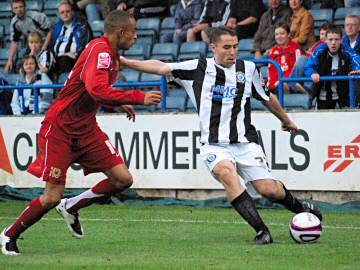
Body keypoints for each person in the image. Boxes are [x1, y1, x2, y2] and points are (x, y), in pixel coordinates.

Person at [120, 26, 323, 245]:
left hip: (245, 142)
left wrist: (285, 119)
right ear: (213, 47)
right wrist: (127, 62)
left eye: (235, 46)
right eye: (227, 47)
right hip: (213, 145)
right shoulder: (197, 68)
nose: (232, 52)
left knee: (269, 190)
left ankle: (301, 209)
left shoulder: (248, 69)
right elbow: (161, 67)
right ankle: (262, 231)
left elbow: (266, 96)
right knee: (227, 173)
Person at [0, 10, 162, 256]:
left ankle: (72, 205)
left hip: (86, 129)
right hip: (61, 129)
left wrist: (117, 103)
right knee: (51, 197)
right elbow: (97, 89)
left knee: (123, 179)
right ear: (120, 32)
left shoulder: (108, 54)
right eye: (133, 32)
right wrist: (137, 96)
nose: (136, 36)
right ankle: (9, 234)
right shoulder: (101, 52)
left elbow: (92, 88)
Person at [304, 25, 360, 109]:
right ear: (325, 40)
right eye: (330, 40)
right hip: (323, 96)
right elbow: (308, 66)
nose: (333, 43)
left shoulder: (346, 49)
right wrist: (312, 73)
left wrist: (357, 69)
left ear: (341, 40)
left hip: (343, 96)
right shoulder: (320, 50)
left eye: (336, 39)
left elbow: (356, 58)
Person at [5, 0, 53, 73]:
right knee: (24, 65)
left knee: (46, 63)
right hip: (33, 44)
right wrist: (10, 59)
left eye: (21, 7)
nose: (19, 10)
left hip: (47, 42)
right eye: (16, 8)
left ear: (25, 7)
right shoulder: (15, 22)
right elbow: (14, 42)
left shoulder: (36, 16)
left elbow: (50, 31)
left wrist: (43, 48)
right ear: (12, 10)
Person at [51, 1, 91, 78]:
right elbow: (53, 45)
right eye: (62, 12)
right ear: (59, 15)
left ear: (72, 12)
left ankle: (66, 87)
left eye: (67, 11)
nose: (65, 14)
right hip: (57, 58)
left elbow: (87, 45)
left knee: (65, 60)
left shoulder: (82, 26)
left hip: (74, 59)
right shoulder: (57, 27)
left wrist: (76, 54)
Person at [267, 23, 304, 92]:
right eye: (277, 34)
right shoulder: (273, 51)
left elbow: (296, 69)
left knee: (303, 60)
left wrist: (285, 81)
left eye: (282, 33)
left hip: (291, 80)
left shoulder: (296, 48)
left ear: (288, 34)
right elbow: (271, 71)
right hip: (277, 84)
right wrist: (276, 83)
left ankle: (291, 87)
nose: (279, 36)